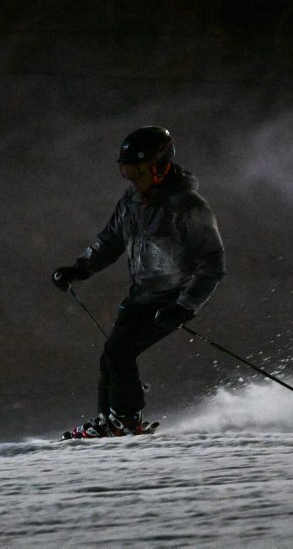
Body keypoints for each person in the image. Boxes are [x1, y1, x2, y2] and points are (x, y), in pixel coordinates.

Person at [53, 126, 226, 438]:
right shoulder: (132, 202)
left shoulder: (187, 205)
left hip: (171, 299)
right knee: (111, 356)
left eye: (138, 171)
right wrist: (78, 269)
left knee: (120, 353)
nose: (133, 179)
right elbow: (109, 241)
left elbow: (211, 264)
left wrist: (184, 307)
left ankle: (127, 420)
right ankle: (109, 419)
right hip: (141, 296)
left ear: (160, 167)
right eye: (126, 171)